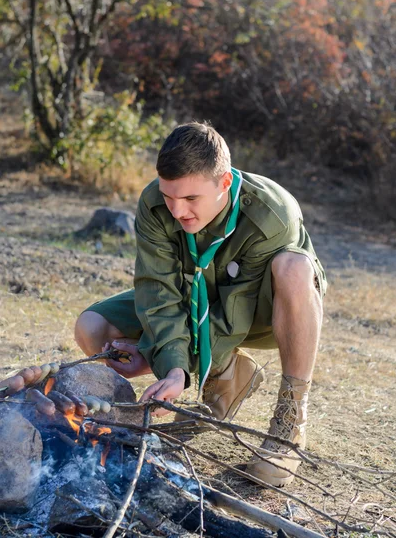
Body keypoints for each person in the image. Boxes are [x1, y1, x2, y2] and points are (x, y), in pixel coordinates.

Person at [74, 122, 326, 488]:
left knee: (293, 267)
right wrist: (171, 365)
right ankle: (226, 377)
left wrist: (173, 362)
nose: (177, 211)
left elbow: (232, 318)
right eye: (169, 196)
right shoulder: (155, 203)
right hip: (191, 297)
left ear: (223, 184)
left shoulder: (271, 214)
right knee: (92, 328)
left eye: (191, 199)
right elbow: (158, 293)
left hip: (268, 314)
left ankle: (289, 421)